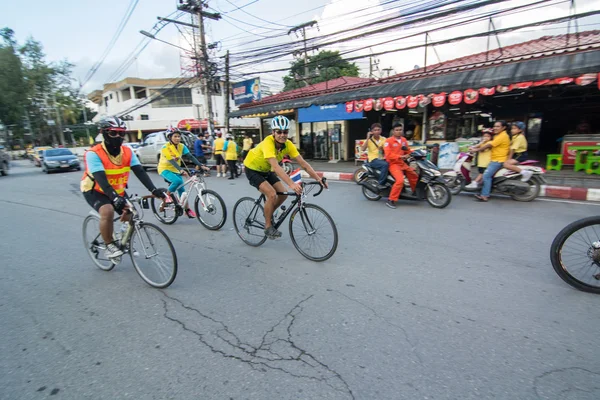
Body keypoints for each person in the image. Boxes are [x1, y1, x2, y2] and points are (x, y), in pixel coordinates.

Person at [81, 116, 166, 259]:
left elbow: (139, 171)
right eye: (113, 133)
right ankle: (109, 246)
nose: (118, 136)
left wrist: (153, 190)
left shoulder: (127, 151)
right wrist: (114, 197)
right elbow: (101, 179)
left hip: (117, 189)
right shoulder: (94, 153)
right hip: (94, 189)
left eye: (121, 133)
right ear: (104, 133)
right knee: (107, 210)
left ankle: (122, 239)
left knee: (132, 213)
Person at [243, 115, 327, 239]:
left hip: (266, 170)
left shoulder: (288, 144)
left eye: (285, 132)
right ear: (273, 132)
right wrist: (292, 184)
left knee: (283, 194)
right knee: (272, 194)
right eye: (279, 132)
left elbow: (303, 163)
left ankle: (268, 212)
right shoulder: (268, 143)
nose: (282, 134)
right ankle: (268, 227)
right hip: (252, 169)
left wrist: (318, 179)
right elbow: (276, 167)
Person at [157, 129, 206, 218]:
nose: (177, 138)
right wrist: (181, 170)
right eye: (175, 136)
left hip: (176, 170)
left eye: (179, 136)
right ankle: (166, 197)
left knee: (182, 191)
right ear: (170, 138)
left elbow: (190, 156)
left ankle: (187, 210)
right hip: (165, 169)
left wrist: (200, 165)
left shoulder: (182, 146)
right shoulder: (165, 148)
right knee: (177, 181)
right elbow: (171, 161)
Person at [470, 120, 511, 202]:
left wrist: (476, 150)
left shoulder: (502, 136)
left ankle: (484, 196)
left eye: (498, 126)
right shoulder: (498, 135)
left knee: (486, 176)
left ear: (504, 127)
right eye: (494, 126)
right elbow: (487, 144)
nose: (495, 128)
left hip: (498, 160)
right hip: (495, 158)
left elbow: (489, 145)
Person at [383, 123, 418, 209]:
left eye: (400, 130)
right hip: (393, 164)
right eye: (397, 130)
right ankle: (391, 200)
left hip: (402, 163)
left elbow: (407, 150)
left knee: (414, 175)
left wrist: (414, 153)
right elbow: (388, 155)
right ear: (393, 131)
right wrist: (400, 156)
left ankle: (414, 192)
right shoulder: (388, 141)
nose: (399, 132)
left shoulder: (403, 140)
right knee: (400, 181)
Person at [360, 123, 388, 189]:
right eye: (375, 130)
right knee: (385, 165)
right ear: (372, 131)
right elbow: (363, 149)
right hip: (373, 160)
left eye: (378, 130)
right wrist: (367, 138)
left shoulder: (384, 139)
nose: (377, 131)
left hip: (382, 158)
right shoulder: (369, 140)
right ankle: (380, 184)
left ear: (381, 131)